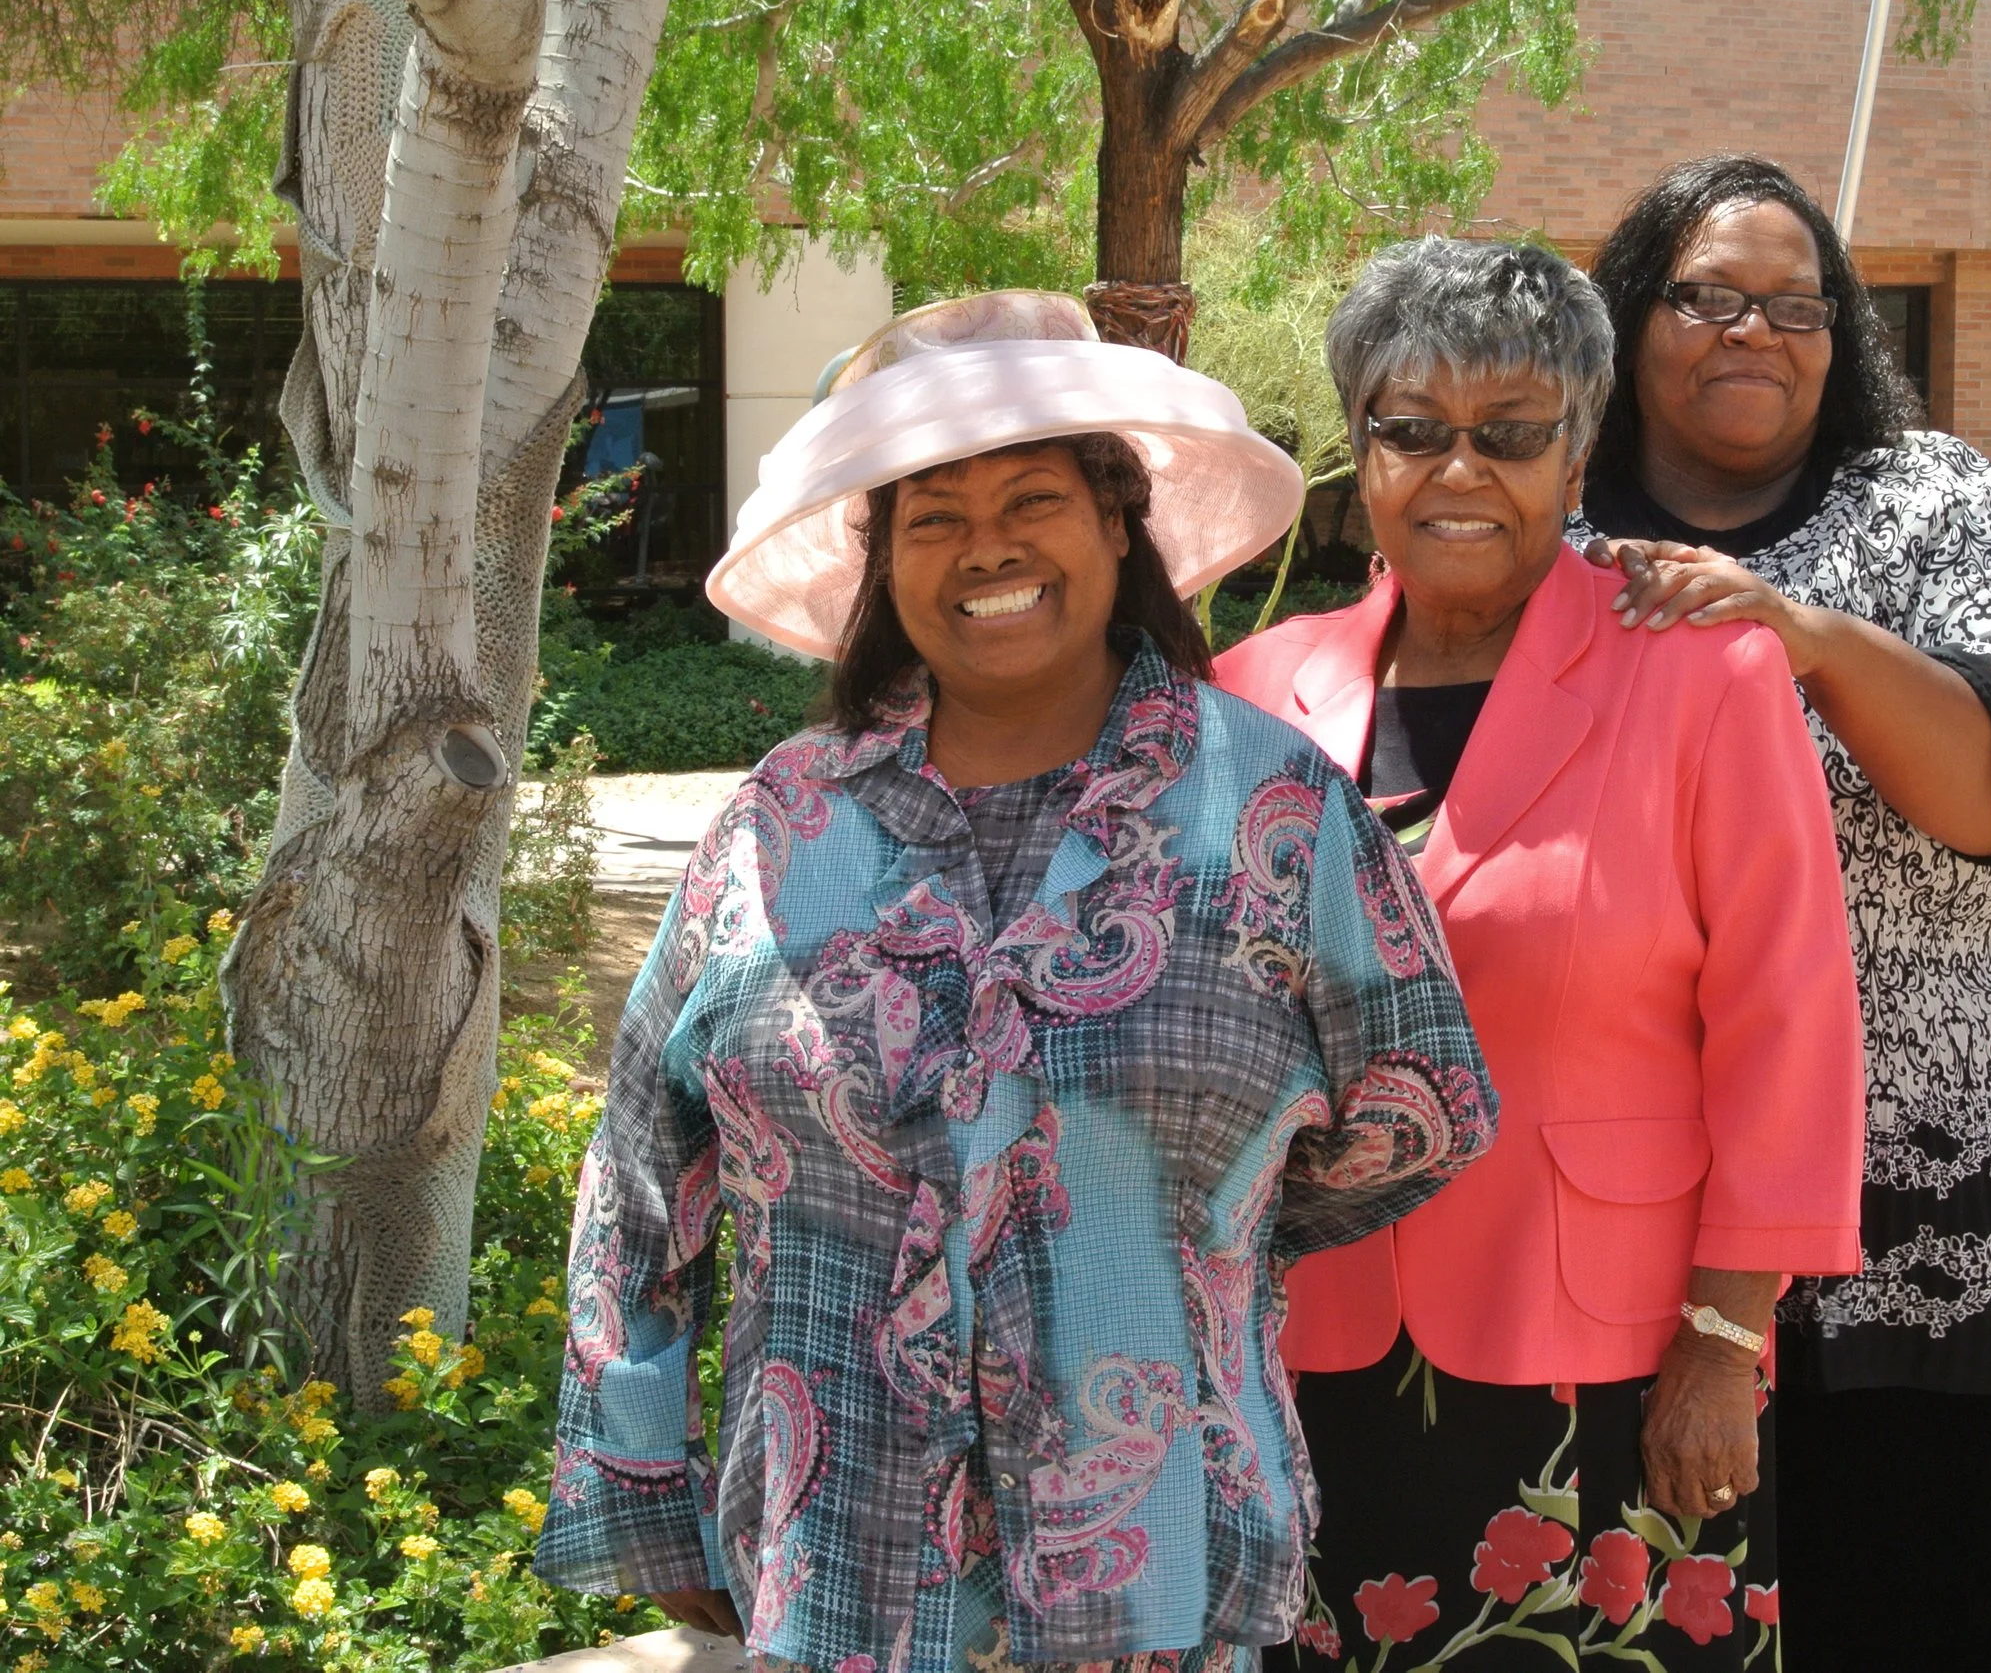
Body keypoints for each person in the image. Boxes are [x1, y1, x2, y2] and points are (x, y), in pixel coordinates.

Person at [533, 291, 1501, 1673]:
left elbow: (1428, 1102)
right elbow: (642, 1166)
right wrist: (641, 1485)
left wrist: (1194, 1231)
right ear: (885, 558)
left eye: (1032, 496)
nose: (986, 545)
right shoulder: (777, 825)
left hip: (1167, 1576)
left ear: (1116, 517)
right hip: (839, 1573)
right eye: (932, 512)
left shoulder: (1272, 811)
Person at [1217, 238, 1865, 1671]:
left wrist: (1725, 1338)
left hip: (1615, 1361)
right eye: (1414, 431)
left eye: (1511, 435)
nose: (1461, 472)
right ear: (1359, 449)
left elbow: (1791, 1026)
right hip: (1311, 1351)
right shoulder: (1257, 691)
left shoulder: (1703, 671)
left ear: (1578, 459)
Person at [1575, 154, 1991, 1672]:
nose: (1753, 330)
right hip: (1618, 1236)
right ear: (1633, 317)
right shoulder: (1559, 544)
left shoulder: (1937, 503)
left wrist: (1800, 636)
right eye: (1707, 296)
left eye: (1797, 303)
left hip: (1937, 1233)